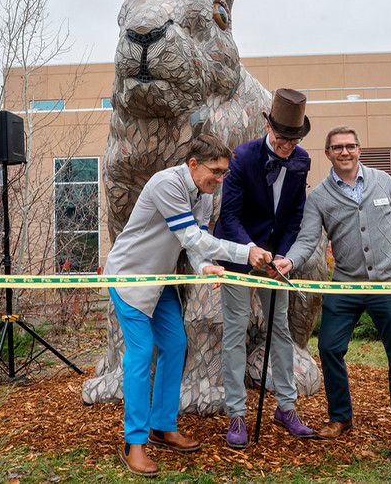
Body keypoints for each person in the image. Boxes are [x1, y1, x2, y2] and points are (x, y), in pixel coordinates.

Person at [104, 133, 273, 477]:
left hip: (162, 279)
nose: (220, 178)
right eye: (216, 170)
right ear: (193, 165)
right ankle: (133, 444)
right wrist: (246, 251)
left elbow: (193, 247)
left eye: (225, 172)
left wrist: (203, 266)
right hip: (130, 278)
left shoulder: (205, 194)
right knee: (140, 353)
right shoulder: (166, 184)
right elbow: (192, 237)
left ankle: (163, 427)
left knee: (176, 344)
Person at [280, 125, 391, 456]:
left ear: (359, 150)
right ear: (328, 153)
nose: (344, 152)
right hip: (346, 284)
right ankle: (341, 417)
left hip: (390, 284)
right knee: (329, 347)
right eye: (337, 147)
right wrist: (288, 262)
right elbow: (307, 240)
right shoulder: (318, 196)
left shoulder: (383, 182)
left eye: (350, 146)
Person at [215, 88, 317, 447]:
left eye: (294, 140)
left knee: (282, 331)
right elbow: (227, 216)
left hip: (276, 262)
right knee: (235, 332)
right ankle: (237, 416)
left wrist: (283, 256)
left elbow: (295, 217)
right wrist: (251, 251)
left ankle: (286, 408)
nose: (287, 146)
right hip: (238, 255)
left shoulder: (301, 161)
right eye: (282, 138)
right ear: (269, 127)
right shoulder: (242, 157)